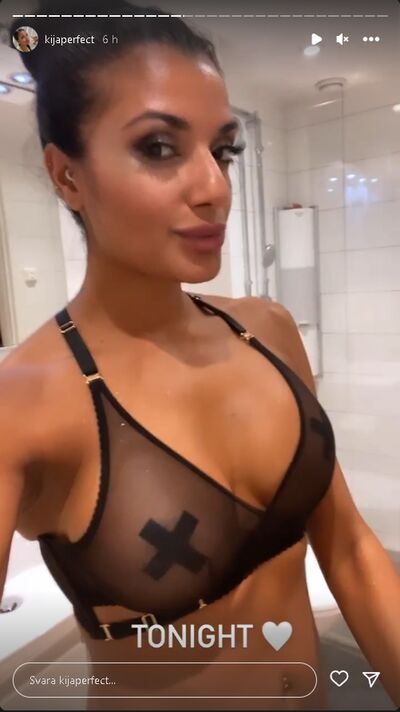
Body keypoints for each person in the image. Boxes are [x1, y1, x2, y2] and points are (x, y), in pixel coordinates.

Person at [2, 2, 399, 710]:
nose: (216, 188)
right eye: (159, 148)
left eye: (223, 151)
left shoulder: (267, 329)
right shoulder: (24, 402)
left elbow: (350, 550)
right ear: (67, 176)